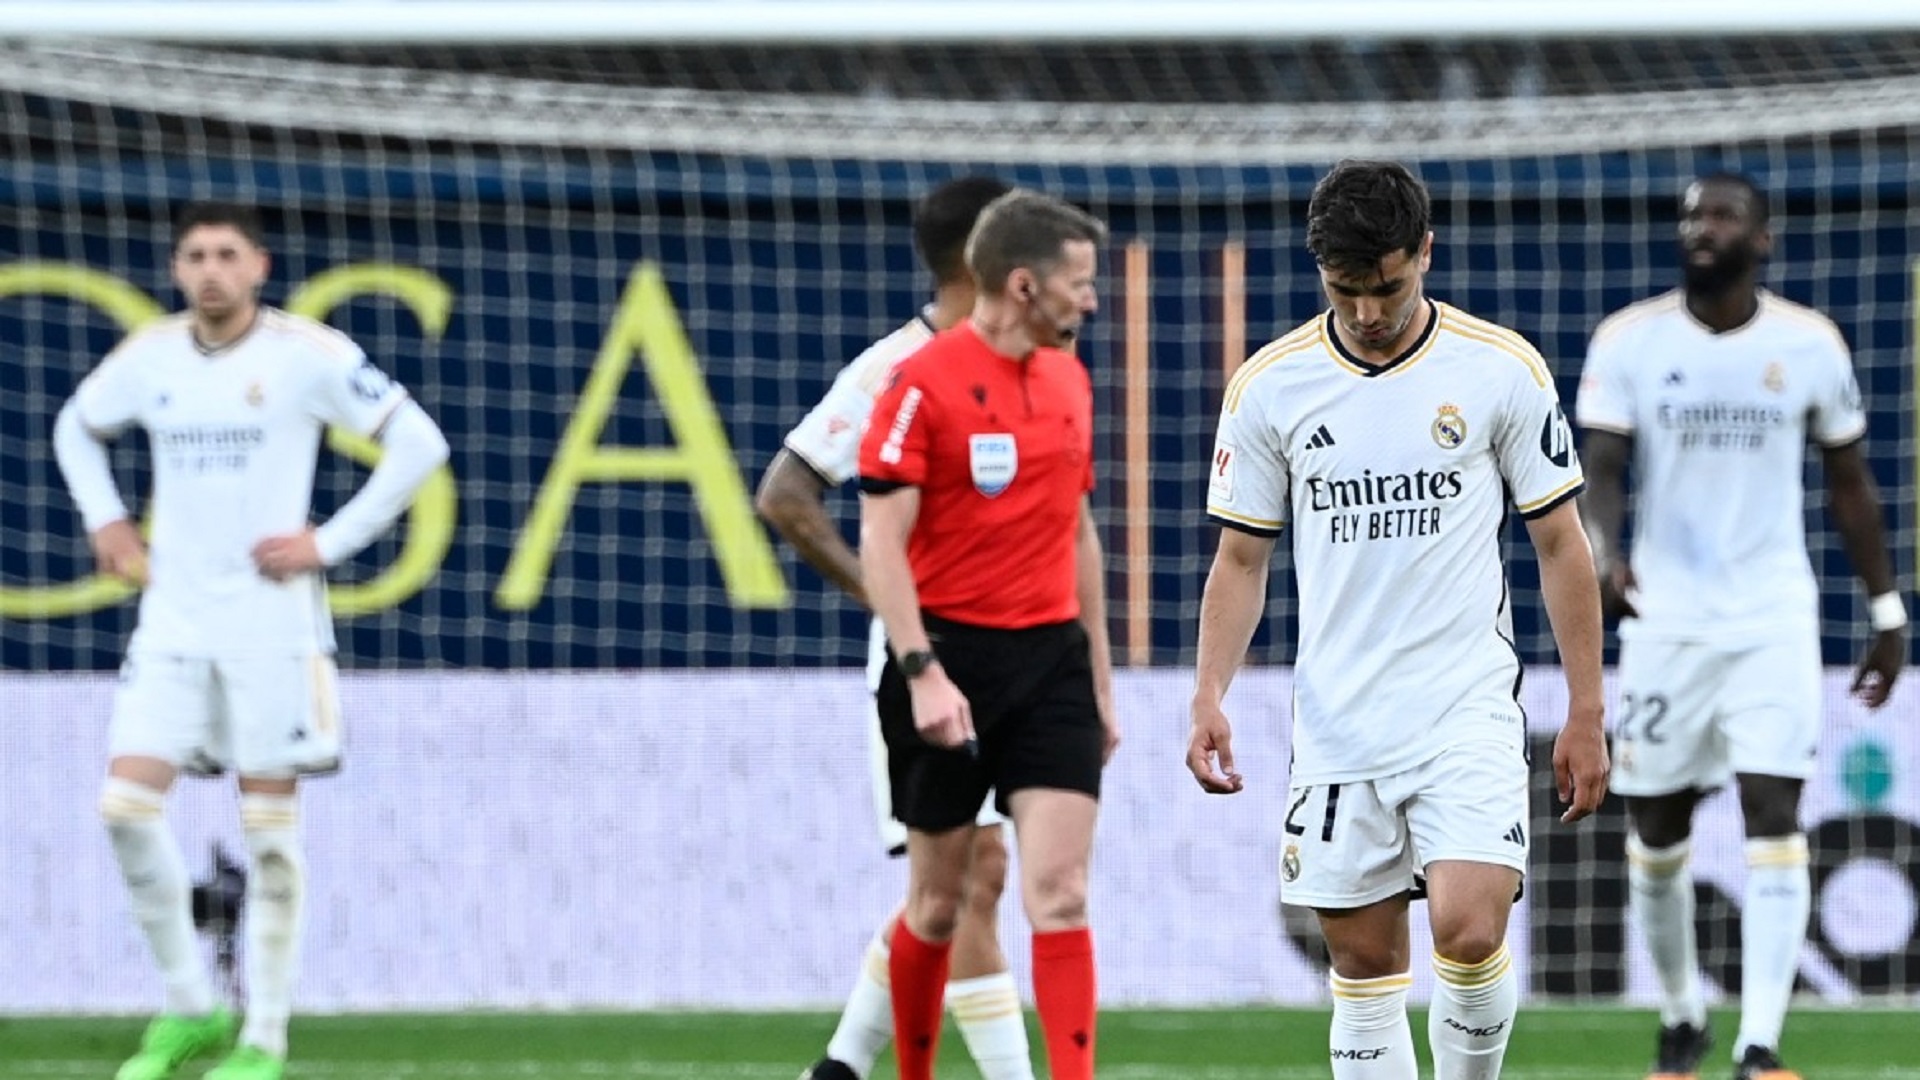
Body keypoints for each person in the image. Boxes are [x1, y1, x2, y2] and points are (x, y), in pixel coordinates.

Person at [1186, 159, 1610, 1080]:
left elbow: (1563, 546)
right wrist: (1208, 692)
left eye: (1387, 287)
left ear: (1425, 252)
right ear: (1319, 272)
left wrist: (1585, 709)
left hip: (1465, 710)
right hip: (1340, 724)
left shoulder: (1499, 370)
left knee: (1466, 929)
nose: (1369, 313)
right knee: (1366, 966)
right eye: (1346, 292)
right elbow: (1242, 558)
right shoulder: (1272, 387)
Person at [53, 201, 451, 1080]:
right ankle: (192, 1006)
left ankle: (263, 1041)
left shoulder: (306, 356)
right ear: (175, 268)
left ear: (259, 267)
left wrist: (327, 544)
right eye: (194, 254)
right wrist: (108, 520)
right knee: (124, 808)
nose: (210, 270)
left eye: (226, 254)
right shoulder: (149, 356)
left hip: (273, 631)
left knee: (269, 834)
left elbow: (421, 444)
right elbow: (74, 426)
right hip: (174, 624)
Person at [1576, 172, 1904, 1080]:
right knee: (1657, 832)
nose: (1703, 228)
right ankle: (1682, 1017)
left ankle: (1760, 1047)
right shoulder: (1631, 341)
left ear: (1762, 238)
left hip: (1771, 619)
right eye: (1691, 215)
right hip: (1663, 623)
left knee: (1774, 814)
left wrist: (1886, 609)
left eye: (1722, 215)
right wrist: (1602, 554)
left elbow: (1849, 485)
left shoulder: (1808, 344)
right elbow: (1600, 469)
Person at [755, 175, 1037, 1080]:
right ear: (978, 258)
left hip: (1017, 656)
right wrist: (890, 603)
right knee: (973, 878)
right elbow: (786, 495)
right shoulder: (895, 368)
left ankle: (835, 1072)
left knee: (952, 889)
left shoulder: (1026, 364)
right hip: (932, 668)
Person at [857, 189, 1118, 1080]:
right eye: (1078, 284)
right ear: (1022, 284)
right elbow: (880, 541)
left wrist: (1101, 680)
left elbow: (1078, 530)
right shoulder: (918, 385)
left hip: (1050, 663)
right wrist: (923, 671)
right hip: (948, 662)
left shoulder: (1071, 380)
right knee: (937, 904)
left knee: (1061, 889)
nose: (1091, 301)